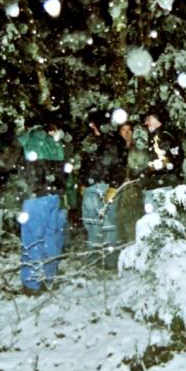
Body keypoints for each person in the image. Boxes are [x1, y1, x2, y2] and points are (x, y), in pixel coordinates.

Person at [0, 118, 70, 292]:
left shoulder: (25, 140)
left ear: (27, 126)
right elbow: (67, 164)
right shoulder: (54, 141)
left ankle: (32, 283)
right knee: (51, 238)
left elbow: (4, 164)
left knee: (32, 240)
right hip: (55, 196)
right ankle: (49, 279)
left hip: (35, 196)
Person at [80, 110, 129, 269]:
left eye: (92, 123)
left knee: (108, 224)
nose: (91, 126)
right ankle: (95, 257)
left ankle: (109, 259)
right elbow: (86, 164)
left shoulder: (112, 141)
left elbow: (117, 166)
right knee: (91, 223)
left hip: (105, 187)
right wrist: (82, 183)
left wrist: (113, 187)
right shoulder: (92, 141)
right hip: (91, 187)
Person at [142, 107, 184, 214]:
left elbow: (166, 161)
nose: (146, 122)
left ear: (158, 121)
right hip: (158, 184)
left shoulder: (163, 137)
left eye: (149, 119)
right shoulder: (156, 137)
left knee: (159, 218)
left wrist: (150, 166)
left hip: (162, 185)